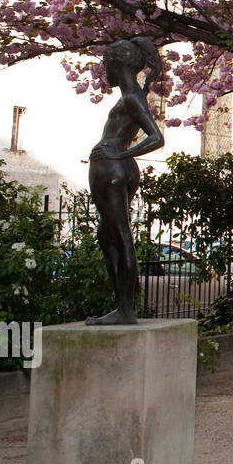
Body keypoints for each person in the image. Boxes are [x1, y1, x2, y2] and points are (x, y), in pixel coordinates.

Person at [87, 37, 164, 325]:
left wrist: (121, 155)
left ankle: (125, 309)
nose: (103, 70)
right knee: (108, 236)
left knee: (120, 235)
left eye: (106, 64)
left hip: (111, 166)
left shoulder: (131, 97)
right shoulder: (130, 96)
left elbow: (156, 137)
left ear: (117, 65)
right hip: (115, 165)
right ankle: (122, 306)